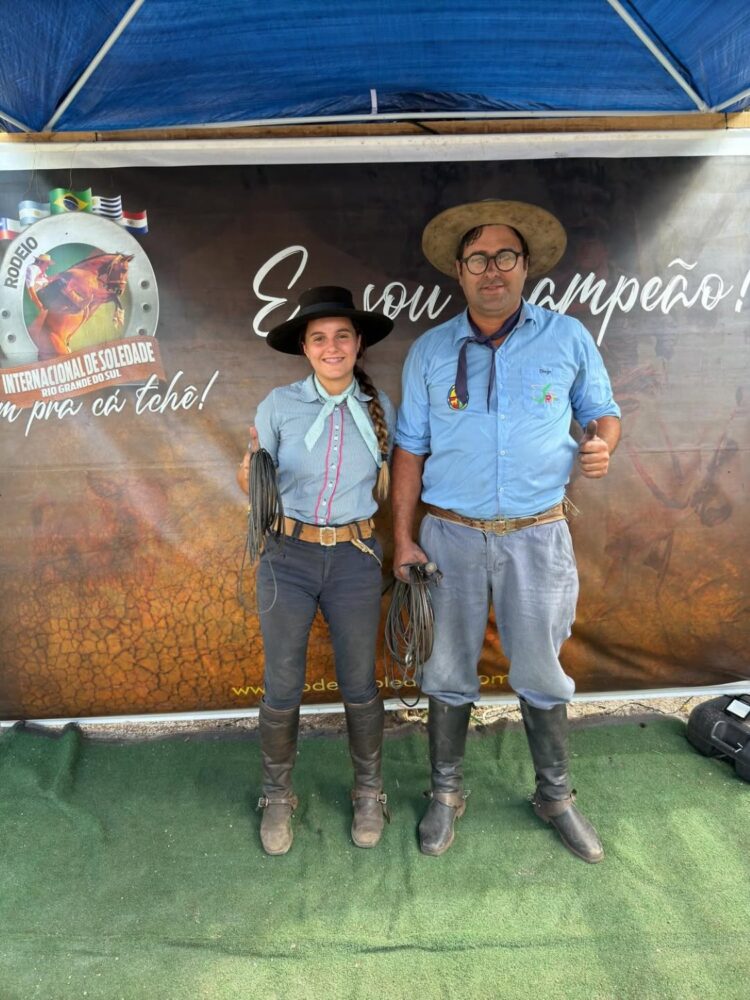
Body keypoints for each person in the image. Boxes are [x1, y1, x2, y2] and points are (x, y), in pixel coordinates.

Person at [392, 200, 621, 862]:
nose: (491, 270)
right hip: (450, 536)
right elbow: (409, 449)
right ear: (459, 271)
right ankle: (445, 793)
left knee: (543, 670)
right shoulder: (430, 351)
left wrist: (601, 444)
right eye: (478, 259)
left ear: (525, 266)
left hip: (537, 535)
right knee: (445, 668)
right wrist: (403, 539)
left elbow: (602, 413)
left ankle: (555, 796)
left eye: (504, 257)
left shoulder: (568, 338)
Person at [237, 286, 395, 856]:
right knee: (282, 680)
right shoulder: (279, 405)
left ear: (358, 343)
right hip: (290, 555)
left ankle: (369, 791)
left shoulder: (381, 407)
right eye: (319, 338)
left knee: (359, 680)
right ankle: (277, 795)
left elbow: (393, 472)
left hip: (354, 556)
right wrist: (249, 473)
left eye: (342, 336)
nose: (332, 347)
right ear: (305, 348)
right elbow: (254, 483)